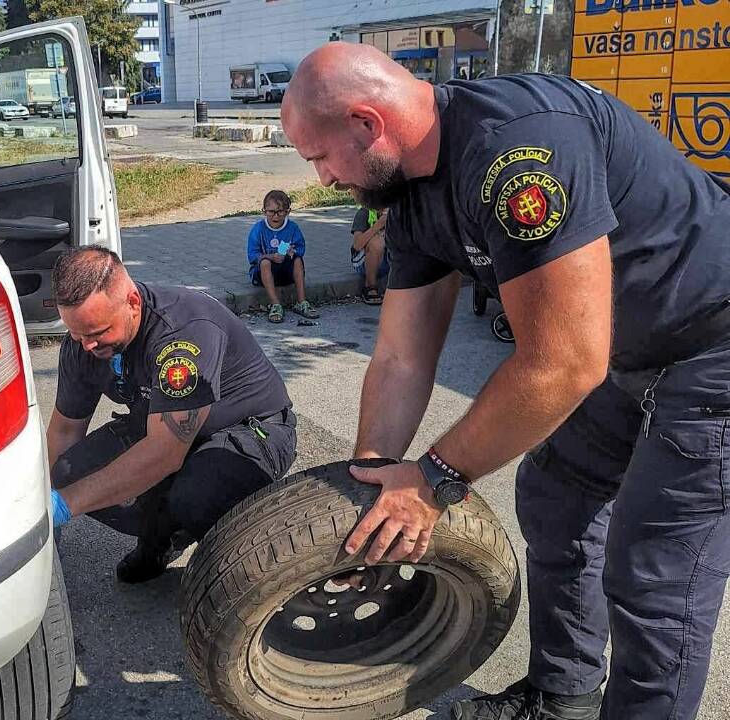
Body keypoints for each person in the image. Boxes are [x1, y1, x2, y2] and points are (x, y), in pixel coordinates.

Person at [281, 42, 730, 720]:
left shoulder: (518, 153)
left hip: (713, 349)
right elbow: (402, 357)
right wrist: (369, 481)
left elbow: (564, 362)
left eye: (318, 157)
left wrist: (433, 479)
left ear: (365, 123)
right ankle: (564, 696)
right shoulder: (408, 197)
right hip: (624, 349)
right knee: (557, 496)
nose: (321, 178)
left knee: (652, 572)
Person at [46, 247, 298, 583]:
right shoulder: (82, 346)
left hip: (249, 430)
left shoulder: (182, 333)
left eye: (97, 332)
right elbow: (64, 432)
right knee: (68, 472)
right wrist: (44, 505)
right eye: (77, 333)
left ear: (132, 303)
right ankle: (163, 535)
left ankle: (266, 564)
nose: (87, 346)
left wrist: (66, 505)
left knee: (196, 494)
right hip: (162, 425)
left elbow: (164, 453)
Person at [247, 189, 319, 323]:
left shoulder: (292, 228)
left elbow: (300, 247)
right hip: (263, 274)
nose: (275, 216)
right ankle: (275, 304)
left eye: (280, 212)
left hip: (286, 272)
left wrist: (292, 252)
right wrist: (269, 256)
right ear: (264, 211)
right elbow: (252, 255)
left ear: (287, 212)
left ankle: (302, 302)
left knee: (298, 260)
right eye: (271, 212)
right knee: (265, 263)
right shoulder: (258, 229)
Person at [350, 206, 388, 304]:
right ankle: (370, 286)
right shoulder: (364, 212)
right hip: (363, 261)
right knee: (377, 242)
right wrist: (379, 225)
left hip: (389, 260)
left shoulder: (398, 212)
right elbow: (357, 245)